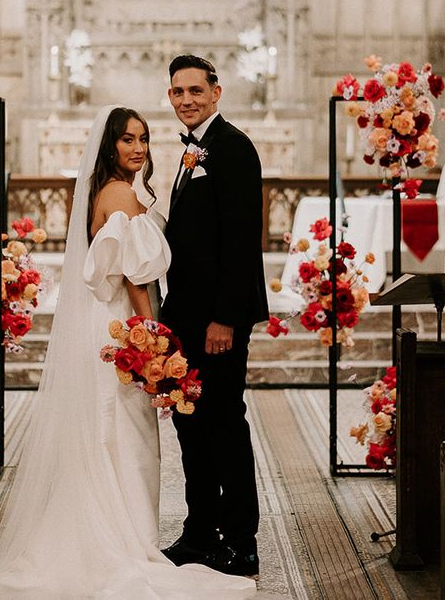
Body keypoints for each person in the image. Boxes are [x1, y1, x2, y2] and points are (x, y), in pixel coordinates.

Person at [0, 105, 256, 599]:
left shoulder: (109, 190)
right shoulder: (118, 195)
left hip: (107, 322)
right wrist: (150, 336)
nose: (139, 148)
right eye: (128, 140)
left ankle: (117, 531)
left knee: (108, 428)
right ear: (109, 145)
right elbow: (135, 274)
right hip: (125, 325)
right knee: (124, 429)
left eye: (144, 139)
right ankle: (126, 541)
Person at [161, 56, 269, 578]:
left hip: (217, 323)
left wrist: (225, 318)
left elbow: (242, 240)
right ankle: (200, 531)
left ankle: (242, 539)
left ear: (217, 92)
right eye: (178, 92)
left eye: (196, 90)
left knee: (225, 425)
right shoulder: (191, 150)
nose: (187, 99)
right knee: (190, 426)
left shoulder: (233, 148)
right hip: (185, 317)